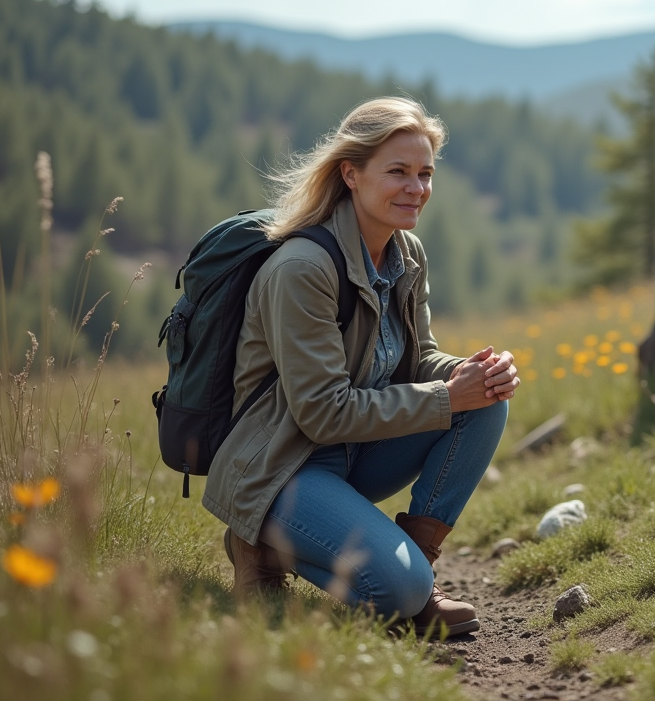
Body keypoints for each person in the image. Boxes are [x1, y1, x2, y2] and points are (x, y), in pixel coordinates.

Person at [201, 97, 518, 638]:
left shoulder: (406, 253)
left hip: (354, 452)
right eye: (398, 172)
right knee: (397, 590)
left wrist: (472, 373)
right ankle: (261, 543)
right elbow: (323, 413)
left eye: (425, 173)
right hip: (280, 468)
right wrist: (447, 396)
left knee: (486, 401)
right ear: (351, 174)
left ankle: (419, 574)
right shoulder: (302, 269)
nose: (416, 188)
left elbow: (417, 359)